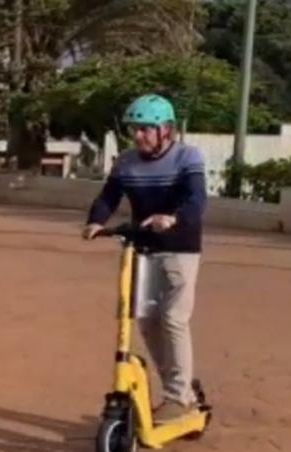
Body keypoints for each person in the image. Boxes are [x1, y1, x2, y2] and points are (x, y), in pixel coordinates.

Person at [83, 94, 207, 424]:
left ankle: (179, 396)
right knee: (148, 323)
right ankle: (180, 393)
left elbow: (197, 201)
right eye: (134, 130)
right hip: (142, 249)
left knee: (174, 318)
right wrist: (96, 220)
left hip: (179, 249)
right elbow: (109, 196)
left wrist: (173, 217)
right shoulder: (126, 161)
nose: (138, 136)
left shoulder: (187, 157)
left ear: (166, 130)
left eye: (145, 129)